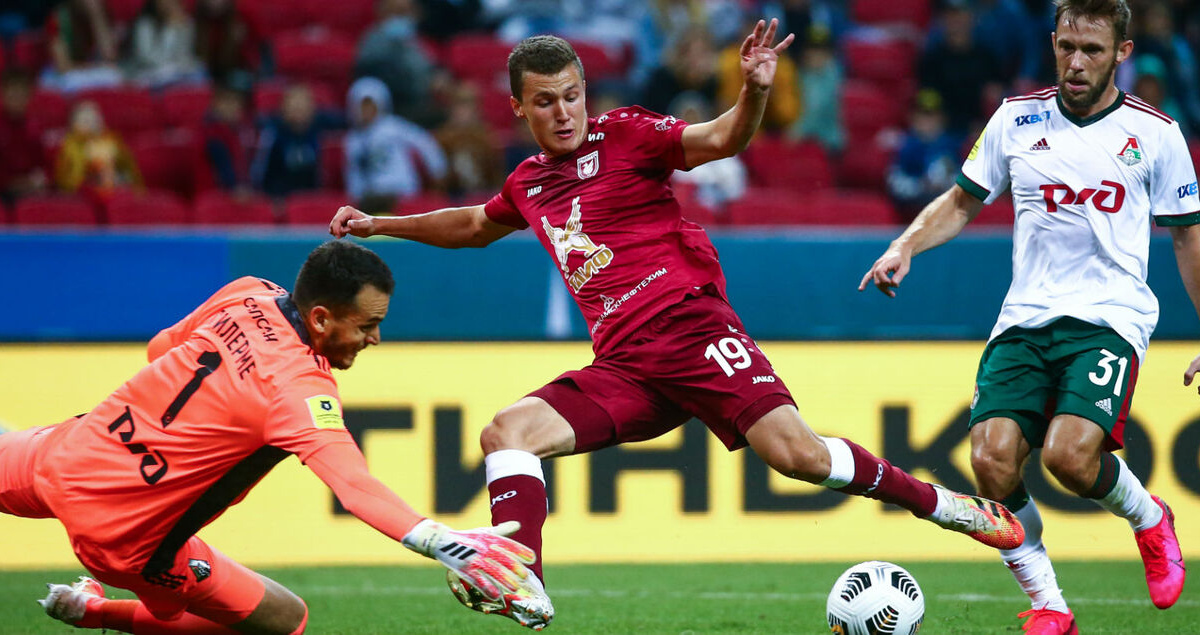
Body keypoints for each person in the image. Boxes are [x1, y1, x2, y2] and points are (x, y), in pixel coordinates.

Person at [331, 22, 1025, 631]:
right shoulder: (529, 183)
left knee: (800, 458)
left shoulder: (628, 134)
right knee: (505, 433)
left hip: (691, 328)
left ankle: (945, 506)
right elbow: (474, 224)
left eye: (571, 95)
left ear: (585, 91)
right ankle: (524, 580)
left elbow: (721, 138)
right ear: (518, 107)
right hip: (624, 366)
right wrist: (379, 224)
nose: (563, 112)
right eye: (544, 101)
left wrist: (753, 92)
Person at [860, 1, 1197, 633]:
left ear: (1122, 53)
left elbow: (1187, 237)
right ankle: (1050, 606)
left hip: (1109, 317)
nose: (1076, 62)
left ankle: (1150, 518)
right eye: (1067, 46)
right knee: (990, 460)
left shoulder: (1156, 134)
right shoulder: (1017, 119)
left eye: (1092, 50)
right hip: (1024, 319)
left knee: (1070, 458)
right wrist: (904, 246)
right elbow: (961, 201)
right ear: (1052, 43)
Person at [0, 240, 539, 635]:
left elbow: (160, 350)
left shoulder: (247, 291)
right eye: (365, 324)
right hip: (125, 539)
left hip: (68, 451)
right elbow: (354, 487)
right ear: (321, 318)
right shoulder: (298, 390)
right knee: (285, 619)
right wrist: (444, 544)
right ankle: (92, 611)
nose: (375, 338)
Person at [345, 76, 447, 214]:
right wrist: (355, 197)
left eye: (370, 105)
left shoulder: (393, 127)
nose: (366, 110)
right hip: (371, 200)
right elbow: (354, 173)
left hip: (403, 193)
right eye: (362, 106)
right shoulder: (353, 140)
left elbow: (424, 142)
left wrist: (438, 170)